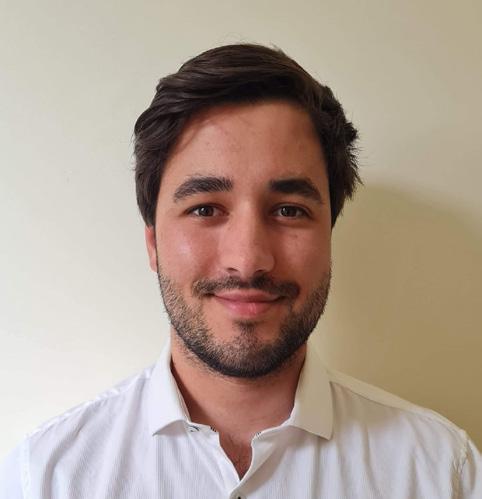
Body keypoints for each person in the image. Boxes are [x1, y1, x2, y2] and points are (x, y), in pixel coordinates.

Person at [1, 43, 480, 499]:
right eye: (206, 209)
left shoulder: (442, 472)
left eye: (289, 210)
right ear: (153, 243)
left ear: (330, 237)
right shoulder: (44, 478)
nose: (249, 260)